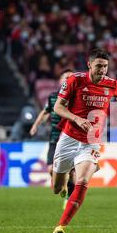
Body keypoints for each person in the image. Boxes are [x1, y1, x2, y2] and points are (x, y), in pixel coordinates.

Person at [50, 48, 117, 233]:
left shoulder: (112, 84)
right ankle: (64, 183)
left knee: (82, 181)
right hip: (68, 138)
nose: (102, 70)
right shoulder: (75, 80)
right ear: (89, 64)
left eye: (105, 66)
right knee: (56, 188)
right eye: (99, 65)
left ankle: (61, 226)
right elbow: (58, 107)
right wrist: (76, 119)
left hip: (91, 142)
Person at [30, 69, 76, 199]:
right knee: (51, 169)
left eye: (70, 77)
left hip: (70, 139)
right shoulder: (52, 97)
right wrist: (35, 125)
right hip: (55, 139)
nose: (67, 79)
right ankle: (63, 186)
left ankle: (70, 199)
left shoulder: (77, 98)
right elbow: (45, 112)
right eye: (65, 77)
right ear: (60, 81)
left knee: (72, 173)